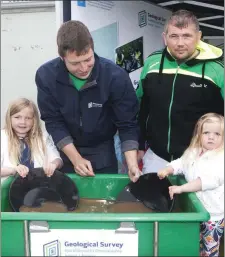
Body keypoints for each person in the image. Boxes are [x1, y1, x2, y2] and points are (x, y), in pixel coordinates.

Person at [35, 20, 141, 182]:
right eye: (75, 63)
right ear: (62, 58)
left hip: (103, 151)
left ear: (92, 49)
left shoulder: (115, 76)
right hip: (65, 151)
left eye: (88, 59)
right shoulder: (46, 76)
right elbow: (53, 121)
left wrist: (132, 164)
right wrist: (75, 159)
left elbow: (127, 123)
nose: (84, 68)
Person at [136, 10, 224, 173]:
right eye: (174, 36)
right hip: (157, 157)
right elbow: (142, 107)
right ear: (164, 37)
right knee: (152, 198)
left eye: (187, 36)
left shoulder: (217, 70)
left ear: (198, 36)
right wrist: (139, 144)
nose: (180, 43)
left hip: (201, 159)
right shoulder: (152, 63)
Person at [158, 113, 224, 257]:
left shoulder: (221, 159)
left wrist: (181, 188)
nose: (211, 137)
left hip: (211, 215)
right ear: (199, 134)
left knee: (208, 250)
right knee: (190, 245)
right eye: (206, 133)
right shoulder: (193, 152)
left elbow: (206, 181)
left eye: (217, 134)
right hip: (192, 210)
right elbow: (181, 163)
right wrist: (168, 169)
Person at [1, 98, 63, 183]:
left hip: (37, 190)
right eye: (17, 117)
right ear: (9, 118)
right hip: (6, 192)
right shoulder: (2, 137)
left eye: (28, 118)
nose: (22, 122)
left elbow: (57, 159)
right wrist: (13, 170)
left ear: (34, 120)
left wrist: (54, 164)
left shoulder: (43, 137)